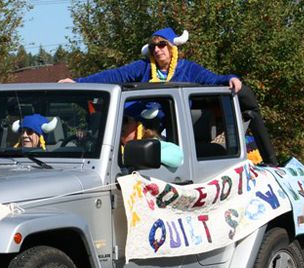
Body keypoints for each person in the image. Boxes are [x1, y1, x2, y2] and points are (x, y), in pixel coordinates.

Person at [59, 27, 278, 165]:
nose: (157, 50)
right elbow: (114, 75)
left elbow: (213, 78)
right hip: (134, 121)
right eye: (153, 46)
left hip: (167, 129)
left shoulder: (187, 69)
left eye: (162, 45)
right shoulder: (143, 67)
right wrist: (78, 82)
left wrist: (231, 78)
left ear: (172, 47)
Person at [122, 101, 183, 168]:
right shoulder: (112, 148)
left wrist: (142, 155)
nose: (121, 125)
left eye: (124, 120)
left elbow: (178, 157)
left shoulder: (153, 143)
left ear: (138, 124)